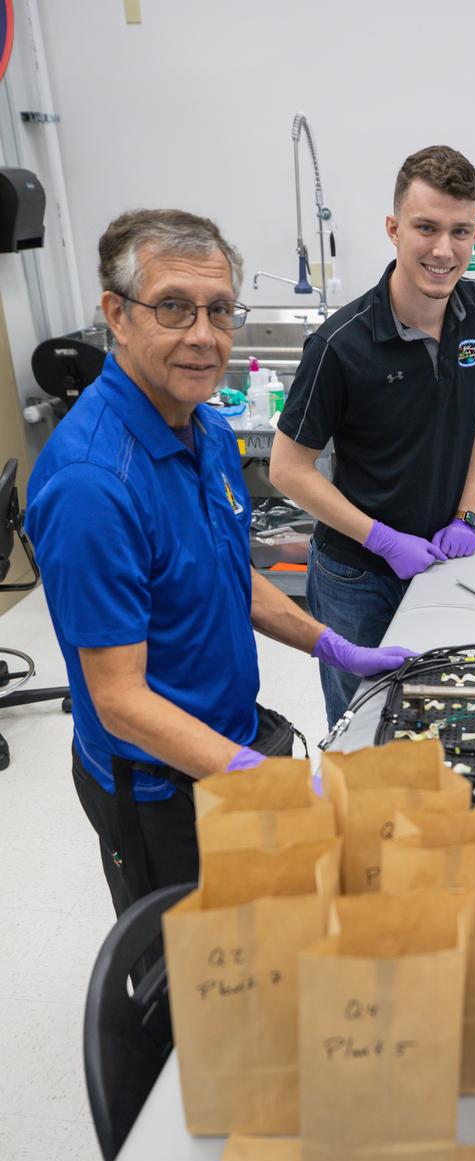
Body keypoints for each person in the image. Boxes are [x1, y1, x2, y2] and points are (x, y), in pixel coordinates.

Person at [25, 208, 411, 916]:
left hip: (225, 738)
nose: (204, 336)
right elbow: (118, 698)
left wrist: (338, 648)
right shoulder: (93, 484)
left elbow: (231, 577)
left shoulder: (201, 423)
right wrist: (255, 777)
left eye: (219, 310)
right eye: (173, 307)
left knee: (255, 945)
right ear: (117, 314)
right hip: (156, 787)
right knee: (191, 992)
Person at [270, 145, 475, 727]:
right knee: (363, 721)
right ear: (393, 229)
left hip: (439, 564)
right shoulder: (340, 345)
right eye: (426, 228)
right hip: (357, 575)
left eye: (461, 231)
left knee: (439, 711)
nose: (443, 250)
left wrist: (467, 515)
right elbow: (287, 469)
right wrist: (381, 539)